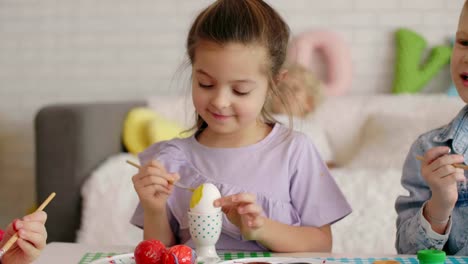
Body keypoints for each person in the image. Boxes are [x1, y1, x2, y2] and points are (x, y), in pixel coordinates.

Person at [131, 0, 351, 252]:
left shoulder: (294, 151)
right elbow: (160, 252)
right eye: (205, 84)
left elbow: (321, 245)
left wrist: (261, 229)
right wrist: (154, 209)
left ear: (274, 84)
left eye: (240, 90)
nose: (220, 101)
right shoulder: (171, 159)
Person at [395, 1, 468, 254]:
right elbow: (407, 252)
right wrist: (439, 206)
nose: (467, 57)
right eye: (464, 43)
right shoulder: (430, 149)